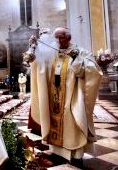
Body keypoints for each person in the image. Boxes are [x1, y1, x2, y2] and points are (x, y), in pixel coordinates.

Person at [28, 27, 102, 167]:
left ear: (68, 38)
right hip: (54, 96)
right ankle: (57, 152)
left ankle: (76, 155)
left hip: (71, 98)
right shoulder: (52, 53)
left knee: (72, 124)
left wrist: (76, 59)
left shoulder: (80, 52)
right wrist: (34, 48)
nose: (57, 40)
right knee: (54, 122)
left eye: (60, 37)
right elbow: (39, 66)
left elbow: (93, 70)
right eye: (55, 38)